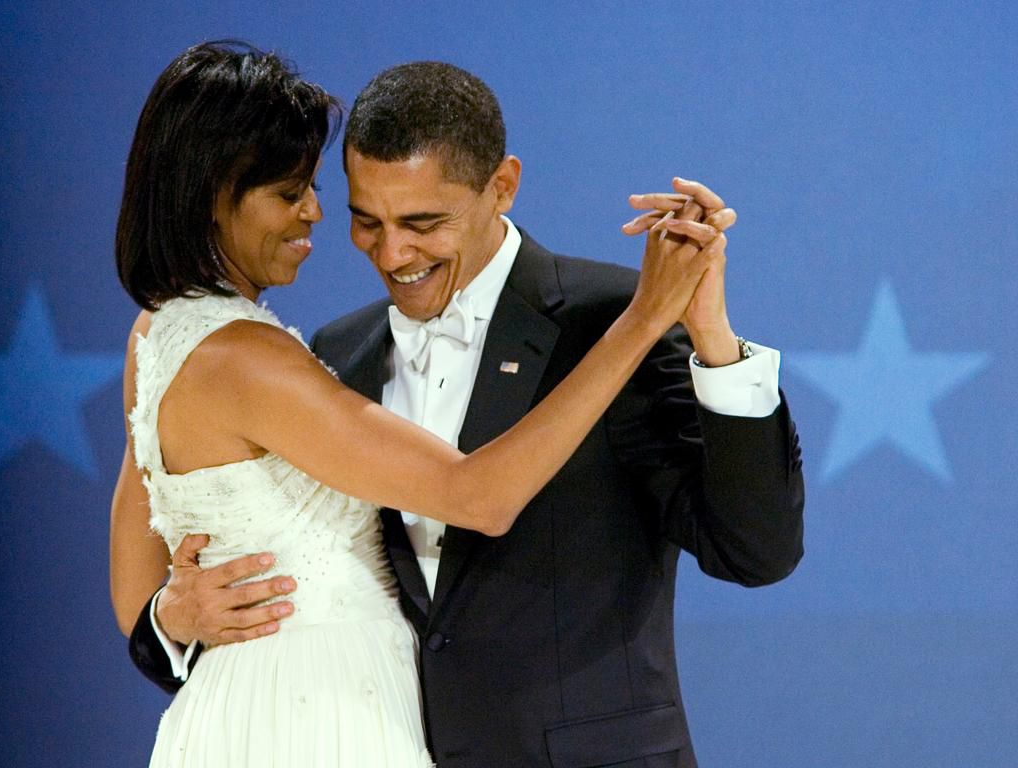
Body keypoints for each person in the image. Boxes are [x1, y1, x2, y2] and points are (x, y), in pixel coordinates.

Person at [110, 44, 746, 768]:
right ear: (213, 196)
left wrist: (171, 616)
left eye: (313, 188)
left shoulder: (155, 335)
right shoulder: (254, 359)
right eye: (291, 193)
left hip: (256, 715)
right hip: (320, 723)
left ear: (501, 186)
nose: (315, 214)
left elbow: (141, 582)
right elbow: (476, 495)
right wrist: (643, 317)